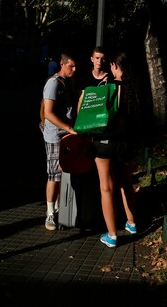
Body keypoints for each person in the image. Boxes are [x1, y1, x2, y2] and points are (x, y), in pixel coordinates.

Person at [96, 51, 139, 248]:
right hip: (127, 143)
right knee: (126, 183)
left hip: (107, 142)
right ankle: (131, 223)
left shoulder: (110, 87)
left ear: (114, 65)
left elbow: (100, 115)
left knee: (106, 187)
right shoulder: (134, 89)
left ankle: (112, 235)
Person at [71, 46, 112, 232]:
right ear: (91, 58)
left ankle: (98, 217)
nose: (100, 61)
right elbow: (79, 103)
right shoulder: (83, 78)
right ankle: (82, 218)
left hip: (102, 133)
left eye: (102, 58)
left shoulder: (109, 79)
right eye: (97, 58)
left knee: (99, 179)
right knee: (83, 176)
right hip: (84, 132)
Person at [41, 52, 78, 231]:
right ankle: (49, 213)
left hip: (67, 134)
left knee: (64, 173)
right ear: (62, 64)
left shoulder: (69, 83)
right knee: (54, 174)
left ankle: (58, 209)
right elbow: (48, 113)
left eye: (75, 66)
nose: (74, 69)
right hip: (56, 135)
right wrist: (69, 128)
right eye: (71, 66)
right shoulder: (53, 83)